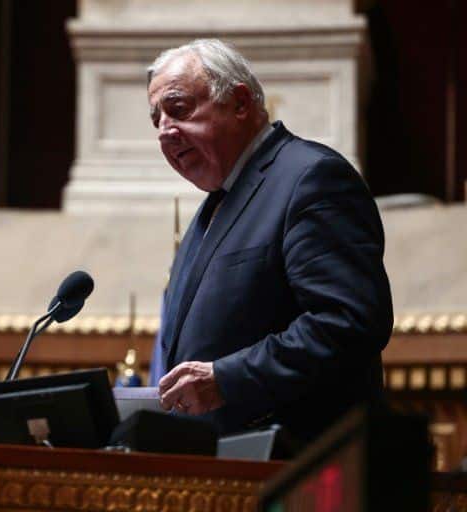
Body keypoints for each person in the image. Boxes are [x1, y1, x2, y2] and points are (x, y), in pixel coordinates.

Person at [149, 39, 392, 443]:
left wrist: (227, 379)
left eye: (178, 109)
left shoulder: (311, 178)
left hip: (299, 462)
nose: (164, 132)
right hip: (216, 465)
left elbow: (347, 322)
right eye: (156, 119)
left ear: (240, 103)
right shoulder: (214, 207)